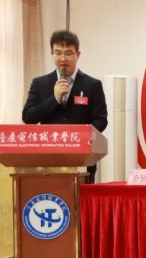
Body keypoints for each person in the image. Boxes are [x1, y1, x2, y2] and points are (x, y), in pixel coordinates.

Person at [22, 30, 108, 183]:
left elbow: (101, 120)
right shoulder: (39, 83)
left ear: (78, 54)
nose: (63, 58)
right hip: (48, 160)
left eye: (68, 53)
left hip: (82, 160)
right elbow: (28, 117)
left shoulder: (93, 85)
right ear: (52, 54)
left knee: (81, 198)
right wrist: (54, 99)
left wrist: (80, 138)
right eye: (58, 53)